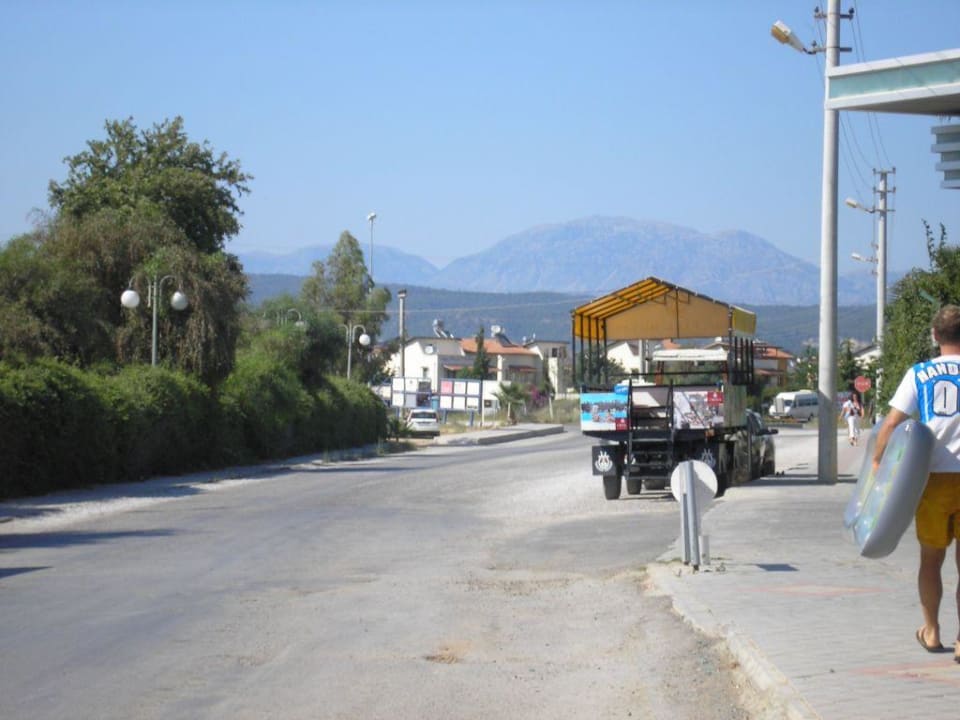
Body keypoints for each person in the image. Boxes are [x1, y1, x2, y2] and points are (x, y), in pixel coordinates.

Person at [873, 304, 960, 662]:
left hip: (933, 480)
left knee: (931, 559)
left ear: (935, 336)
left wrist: (878, 463)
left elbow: (892, 423)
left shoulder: (921, 373)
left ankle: (932, 630)